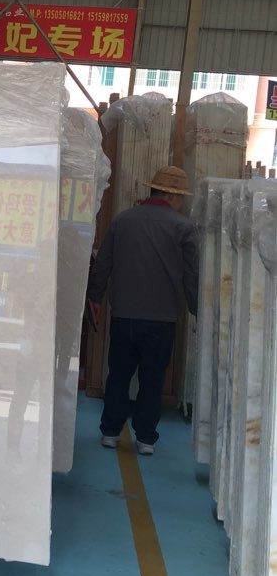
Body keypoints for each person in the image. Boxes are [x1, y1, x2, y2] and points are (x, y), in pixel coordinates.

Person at [86, 165, 199, 456]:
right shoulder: (184, 228)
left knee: (119, 375)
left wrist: (95, 297)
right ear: (173, 196)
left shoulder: (122, 221)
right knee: (152, 379)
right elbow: (192, 276)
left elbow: (103, 264)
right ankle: (146, 439)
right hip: (162, 320)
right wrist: (198, 310)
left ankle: (110, 432)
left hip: (123, 315)